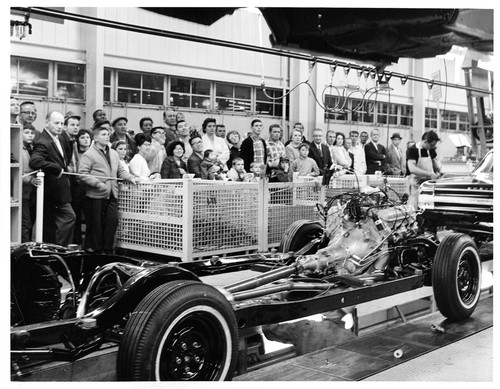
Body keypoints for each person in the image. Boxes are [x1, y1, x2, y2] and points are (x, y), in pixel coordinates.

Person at [78, 124, 139, 253]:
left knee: (112, 222)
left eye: (107, 135)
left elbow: (121, 171)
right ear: (95, 137)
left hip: (112, 194)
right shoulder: (89, 154)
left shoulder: (113, 153)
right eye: (103, 135)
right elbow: (82, 173)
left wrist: (130, 177)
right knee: (96, 226)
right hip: (95, 196)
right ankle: (97, 251)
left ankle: (108, 250)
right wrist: (98, 184)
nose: (107, 137)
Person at [29, 111, 75, 246]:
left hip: (60, 189)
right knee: (68, 217)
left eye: (61, 123)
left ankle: (56, 248)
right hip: (51, 190)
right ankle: (59, 248)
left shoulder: (60, 138)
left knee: (51, 224)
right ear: (47, 123)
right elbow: (35, 161)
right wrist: (55, 167)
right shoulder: (42, 141)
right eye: (56, 123)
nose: (60, 126)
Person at [406, 130, 443, 209]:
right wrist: (429, 174)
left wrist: (439, 171)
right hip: (416, 184)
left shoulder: (430, 150)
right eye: (432, 145)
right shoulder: (412, 150)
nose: (433, 147)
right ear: (425, 142)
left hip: (428, 183)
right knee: (413, 207)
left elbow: (435, 163)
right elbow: (412, 168)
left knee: (427, 207)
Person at [71, 129, 92, 245]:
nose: (85, 139)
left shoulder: (94, 153)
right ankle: (77, 242)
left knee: (90, 216)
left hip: (90, 186)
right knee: (77, 215)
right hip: (77, 186)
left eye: (88, 137)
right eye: (82, 137)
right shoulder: (74, 153)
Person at [21, 126, 41, 242]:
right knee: (25, 223)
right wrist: (30, 180)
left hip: (30, 192)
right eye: (26, 132)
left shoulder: (32, 148)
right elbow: (18, 173)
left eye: (32, 133)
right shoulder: (19, 149)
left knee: (29, 222)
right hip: (23, 191)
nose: (30, 135)